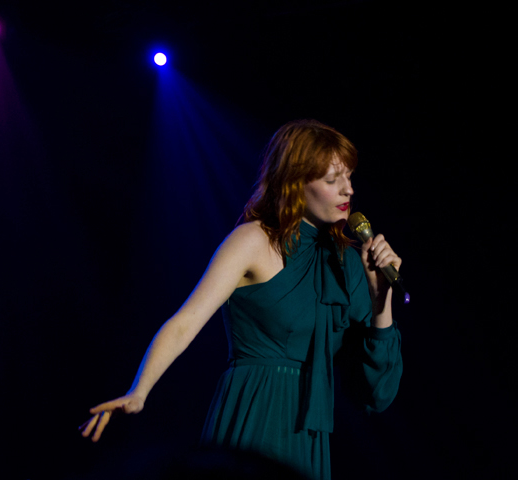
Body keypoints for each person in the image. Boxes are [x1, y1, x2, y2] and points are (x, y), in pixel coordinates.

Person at [80, 119, 403, 480]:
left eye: (349, 177)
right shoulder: (253, 240)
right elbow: (186, 321)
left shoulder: (346, 262)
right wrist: (139, 390)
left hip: (310, 433)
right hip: (254, 410)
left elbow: (377, 394)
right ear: (295, 182)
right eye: (332, 180)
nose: (348, 190)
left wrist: (381, 300)